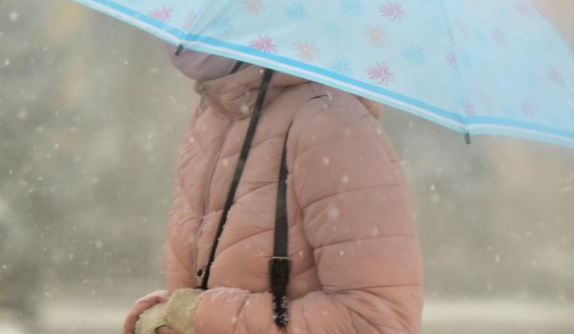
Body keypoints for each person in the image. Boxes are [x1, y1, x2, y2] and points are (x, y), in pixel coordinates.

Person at [124, 47, 423, 333]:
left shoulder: (332, 124)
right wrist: (165, 318)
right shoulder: (214, 114)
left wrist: (200, 315)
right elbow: (206, 291)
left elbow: (375, 322)